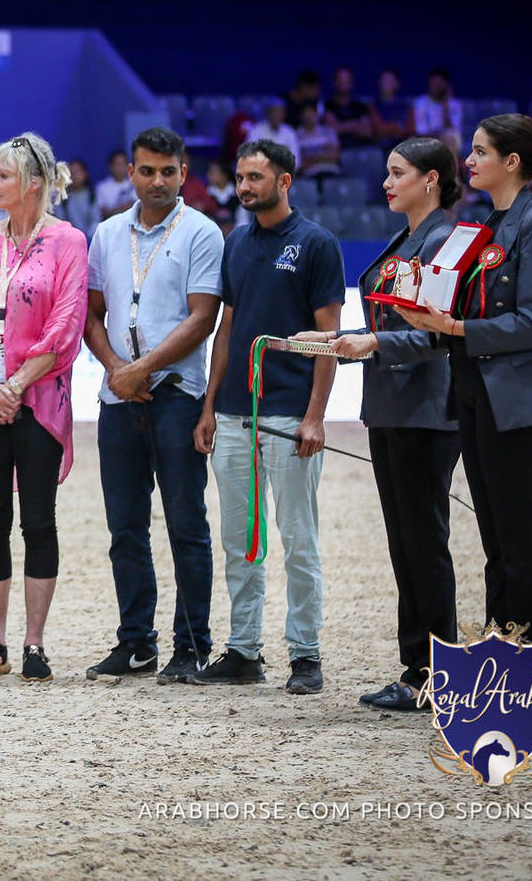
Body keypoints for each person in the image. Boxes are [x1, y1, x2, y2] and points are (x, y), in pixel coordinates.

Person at [294, 137, 462, 712]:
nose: (386, 183)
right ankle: (418, 667)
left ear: (431, 179)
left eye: (397, 173)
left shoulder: (442, 240)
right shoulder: (407, 238)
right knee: (406, 541)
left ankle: (434, 672)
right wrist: (333, 340)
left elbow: (434, 334)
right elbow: (389, 324)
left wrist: (369, 341)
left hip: (426, 409)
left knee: (423, 541)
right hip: (393, 405)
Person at [396, 115, 532, 645]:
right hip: (474, 392)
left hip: (514, 399)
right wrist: (426, 309)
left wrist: (455, 327)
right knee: (494, 536)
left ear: (511, 161)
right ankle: (502, 645)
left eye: (479, 152)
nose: (467, 161)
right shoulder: (487, 224)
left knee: (517, 538)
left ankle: (529, 657)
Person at [191, 138, 345, 695]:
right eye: (240, 176)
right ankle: (244, 650)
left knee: (298, 538)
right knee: (241, 540)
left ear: (284, 182)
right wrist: (210, 405)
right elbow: (226, 329)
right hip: (233, 413)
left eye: (256, 177)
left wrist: (316, 417)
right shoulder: (235, 241)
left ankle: (305, 654)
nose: (244, 186)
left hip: (288, 415)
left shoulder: (317, 244)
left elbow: (329, 340)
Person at [82, 127, 223, 684]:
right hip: (118, 397)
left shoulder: (203, 233)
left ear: (184, 172)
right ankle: (135, 642)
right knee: (125, 528)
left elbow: (202, 318)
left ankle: (192, 645)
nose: (157, 181)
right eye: (147, 171)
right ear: (131, 173)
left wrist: (143, 368)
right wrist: (119, 370)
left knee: (186, 524)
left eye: (168, 171)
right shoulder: (108, 233)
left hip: (178, 395)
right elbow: (91, 316)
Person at [0, 132, 88, 682]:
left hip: (40, 402)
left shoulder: (68, 241)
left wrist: (18, 384)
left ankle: (34, 644)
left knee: (38, 520)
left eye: (2, 176)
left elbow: (67, 324)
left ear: (34, 183)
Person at [323, 66, 375, 149]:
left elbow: (368, 132)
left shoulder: (360, 106)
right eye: (341, 81)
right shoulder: (327, 106)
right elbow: (331, 130)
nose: (344, 84)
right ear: (334, 82)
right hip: (338, 150)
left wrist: (342, 126)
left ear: (352, 82)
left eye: (347, 81)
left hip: (361, 150)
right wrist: (353, 125)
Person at [409, 67, 464, 139]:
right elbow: (420, 132)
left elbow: (454, 133)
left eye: (439, 84)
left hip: (446, 143)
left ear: (446, 85)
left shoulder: (455, 104)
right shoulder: (420, 102)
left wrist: (445, 107)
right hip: (424, 141)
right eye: (433, 83)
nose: (436, 87)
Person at [294, 103, 342, 178]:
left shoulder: (329, 131)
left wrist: (311, 158)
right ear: (301, 116)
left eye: (312, 113)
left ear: (317, 114)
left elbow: (334, 156)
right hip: (309, 175)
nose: (310, 116)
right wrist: (324, 156)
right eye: (306, 113)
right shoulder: (295, 135)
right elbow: (300, 162)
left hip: (332, 172)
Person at [53, 156, 97, 237]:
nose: (74, 176)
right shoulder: (61, 196)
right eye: (71, 173)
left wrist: (87, 237)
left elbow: (95, 221)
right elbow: (59, 222)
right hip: (68, 239)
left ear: (85, 174)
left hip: (89, 240)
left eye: (77, 172)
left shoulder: (92, 195)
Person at [371, 67, 411, 145]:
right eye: (384, 80)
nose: (387, 83)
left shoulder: (406, 107)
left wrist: (388, 128)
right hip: (378, 146)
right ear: (379, 82)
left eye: (390, 80)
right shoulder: (372, 106)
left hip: (401, 146)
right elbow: (378, 129)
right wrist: (396, 126)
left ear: (397, 84)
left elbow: (408, 130)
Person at [94, 148, 136, 222]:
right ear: (110, 166)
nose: (120, 168)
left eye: (123, 164)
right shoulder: (102, 187)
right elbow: (102, 212)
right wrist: (124, 208)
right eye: (117, 164)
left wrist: (114, 210)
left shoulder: (135, 184)